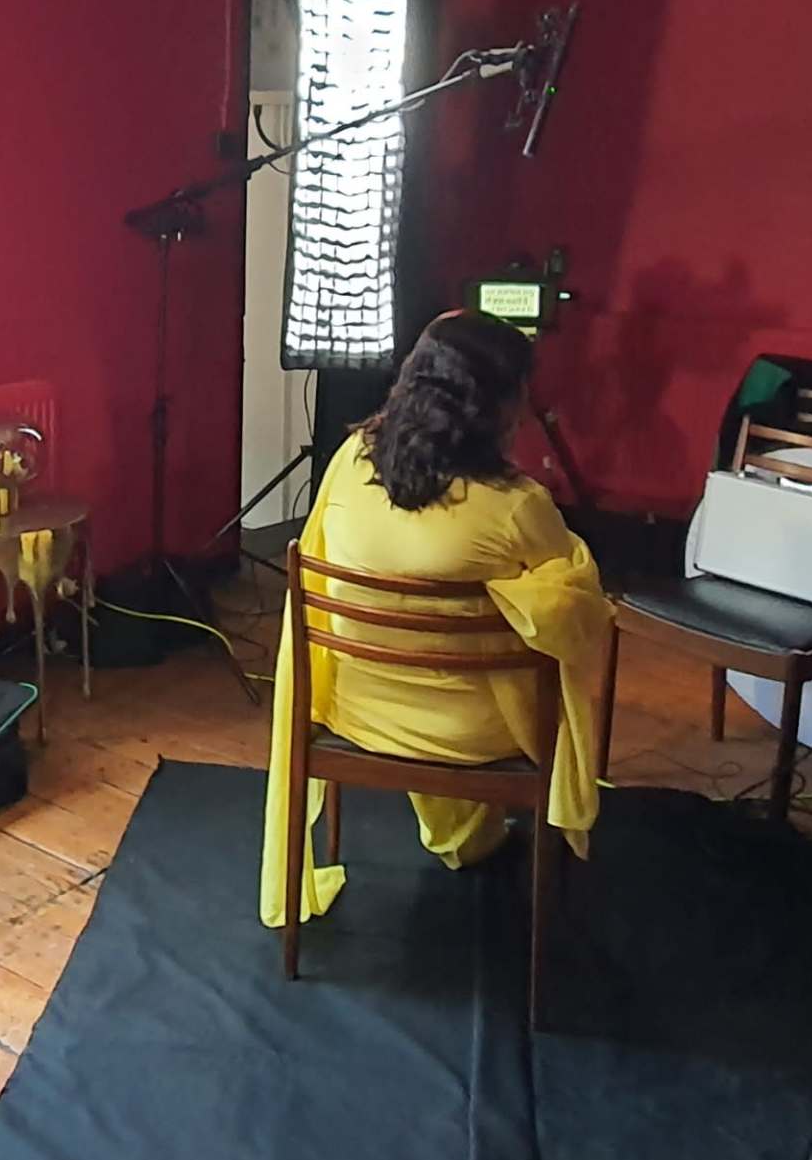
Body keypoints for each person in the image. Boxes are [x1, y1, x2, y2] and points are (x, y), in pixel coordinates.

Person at [262, 308, 612, 929]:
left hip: (358, 706)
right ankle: (485, 828)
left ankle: (463, 832)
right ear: (497, 404)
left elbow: (312, 565)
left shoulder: (346, 463)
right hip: (475, 734)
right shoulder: (517, 506)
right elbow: (576, 614)